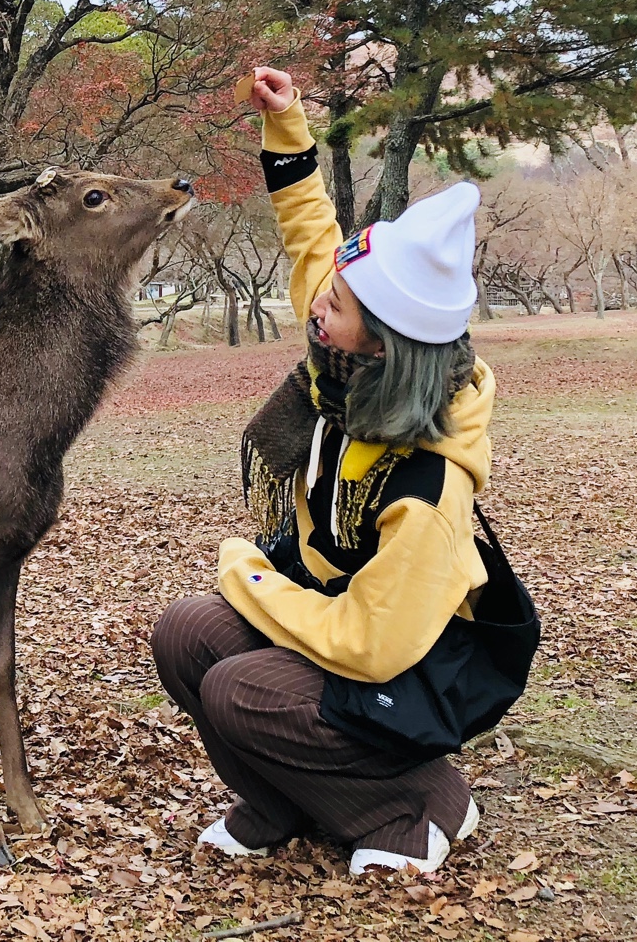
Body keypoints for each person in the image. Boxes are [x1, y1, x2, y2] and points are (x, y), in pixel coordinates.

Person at [152, 66, 497, 877]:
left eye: (336, 306)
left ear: (383, 339)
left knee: (242, 688)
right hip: (333, 607)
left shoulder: (428, 482)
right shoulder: (342, 367)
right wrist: (287, 127)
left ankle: (421, 804)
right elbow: (312, 234)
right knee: (186, 637)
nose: (315, 308)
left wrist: (252, 579)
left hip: (410, 667)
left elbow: (376, 646)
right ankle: (281, 801)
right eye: (330, 296)